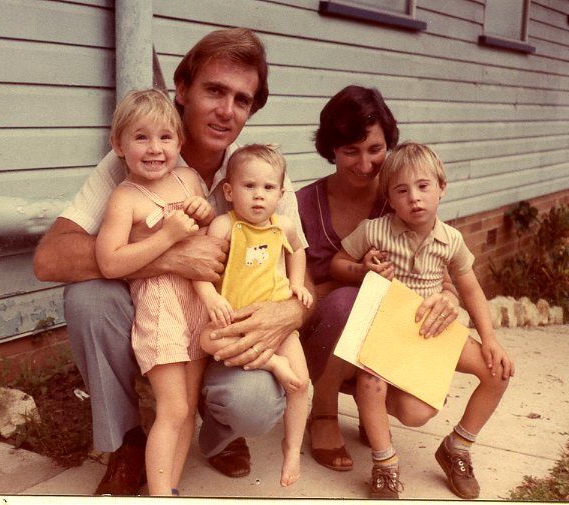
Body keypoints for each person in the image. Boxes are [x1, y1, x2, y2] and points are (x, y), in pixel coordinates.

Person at [33, 28, 308, 495]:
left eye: (241, 100)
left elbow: (300, 265)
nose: (226, 110)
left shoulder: (259, 175)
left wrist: (292, 310)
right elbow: (51, 257)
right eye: (214, 90)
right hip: (159, 312)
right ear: (182, 89)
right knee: (89, 299)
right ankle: (126, 442)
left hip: (220, 320)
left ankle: (222, 437)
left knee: (255, 404)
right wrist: (172, 255)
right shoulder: (137, 161)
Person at [330, 141, 515, 499]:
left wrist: (489, 339)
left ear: (441, 188)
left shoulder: (451, 240)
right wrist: (362, 268)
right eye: (402, 190)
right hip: (389, 329)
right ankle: (385, 463)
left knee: (498, 372)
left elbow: (472, 291)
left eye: (423, 186)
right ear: (390, 198)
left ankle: (456, 448)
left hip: (434, 330)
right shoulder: (374, 231)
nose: (414, 198)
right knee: (371, 381)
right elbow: (338, 263)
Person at [296, 86, 460, 477]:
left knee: (415, 411)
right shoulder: (302, 204)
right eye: (350, 150)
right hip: (320, 333)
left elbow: (443, 267)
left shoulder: (401, 196)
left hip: (390, 337)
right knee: (348, 301)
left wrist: (450, 297)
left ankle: (369, 406)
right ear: (330, 149)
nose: (366, 163)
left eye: (375, 149)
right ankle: (323, 410)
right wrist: (355, 280)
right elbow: (297, 292)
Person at [94, 89, 215, 496]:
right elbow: (110, 262)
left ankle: (171, 488)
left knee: (190, 408)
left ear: (179, 143)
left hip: (197, 301)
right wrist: (166, 236)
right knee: (173, 407)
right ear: (119, 145)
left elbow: (206, 223)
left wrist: (203, 211)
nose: (154, 148)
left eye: (165, 137)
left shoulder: (188, 178)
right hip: (160, 304)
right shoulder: (123, 198)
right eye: (141, 137)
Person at [193, 144, 311, 487]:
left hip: (277, 322)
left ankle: (292, 451)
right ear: (229, 191)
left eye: (268, 188)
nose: (259, 197)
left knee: (301, 383)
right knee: (206, 339)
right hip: (234, 319)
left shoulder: (283, 226)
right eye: (249, 186)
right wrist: (210, 295)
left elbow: (299, 251)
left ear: (281, 193)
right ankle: (270, 363)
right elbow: (200, 270)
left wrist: (296, 283)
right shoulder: (223, 226)